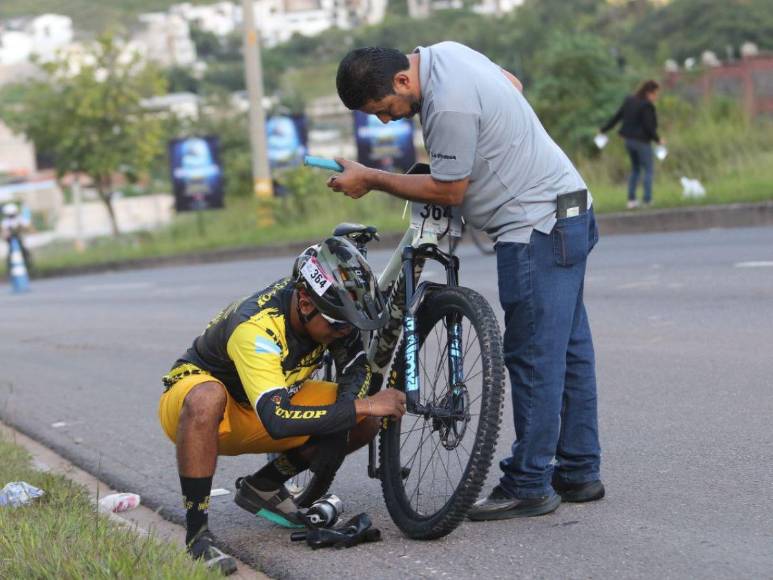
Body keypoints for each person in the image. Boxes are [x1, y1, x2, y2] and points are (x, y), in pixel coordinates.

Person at [328, 42, 604, 522]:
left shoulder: (446, 101)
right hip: (568, 209)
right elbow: (510, 82)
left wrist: (371, 178)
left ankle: (528, 483)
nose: (387, 121)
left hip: (535, 227)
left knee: (534, 356)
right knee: (567, 350)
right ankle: (578, 470)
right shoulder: (447, 54)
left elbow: (450, 189)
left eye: (384, 110)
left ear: (401, 82)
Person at [158, 236, 407, 574]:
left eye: (352, 324)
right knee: (207, 397)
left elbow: (355, 367)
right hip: (210, 413)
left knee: (365, 419)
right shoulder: (256, 328)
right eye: (339, 324)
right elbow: (278, 421)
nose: (346, 332)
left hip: (268, 404)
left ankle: (263, 485)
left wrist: (349, 415)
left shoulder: (327, 311)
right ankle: (197, 533)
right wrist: (358, 408)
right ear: (305, 303)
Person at [600, 79, 663, 209]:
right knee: (648, 170)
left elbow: (617, 117)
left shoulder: (629, 100)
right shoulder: (647, 106)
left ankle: (631, 200)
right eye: (655, 94)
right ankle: (647, 200)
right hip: (642, 142)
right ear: (648, 92)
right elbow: (649, 127)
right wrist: (658, 140)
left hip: (629, 142)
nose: (656, 97)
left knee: (635, 169)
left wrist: (604, 129)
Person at [1, 201, 33, 273]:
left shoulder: (20, 219)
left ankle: (28, 266)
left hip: (20, 239)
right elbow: (4, 233)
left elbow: (27, 227)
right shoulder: (6, 222)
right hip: (11, 241)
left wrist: (22, 229)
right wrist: (6, 235)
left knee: (25, 252)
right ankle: (11, 268)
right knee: (11, 255)